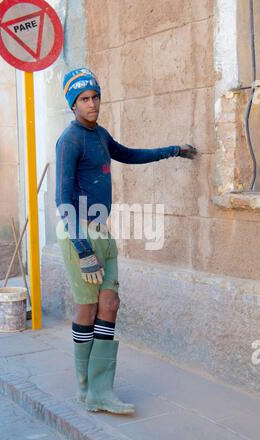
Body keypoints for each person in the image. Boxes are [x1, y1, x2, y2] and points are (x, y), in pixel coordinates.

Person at [55, 68, 198, 415]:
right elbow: (62, 199)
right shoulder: (69, 139)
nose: (92, 104)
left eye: (95, 97)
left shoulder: (100, 134)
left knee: (111, 304)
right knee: (87, 308)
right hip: (81, 236)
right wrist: (84, 250)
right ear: (73, 106)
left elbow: (129, 154)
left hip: (103, 231)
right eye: (84, 100)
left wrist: (172, 151)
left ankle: (100, 390)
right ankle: (87, 388)